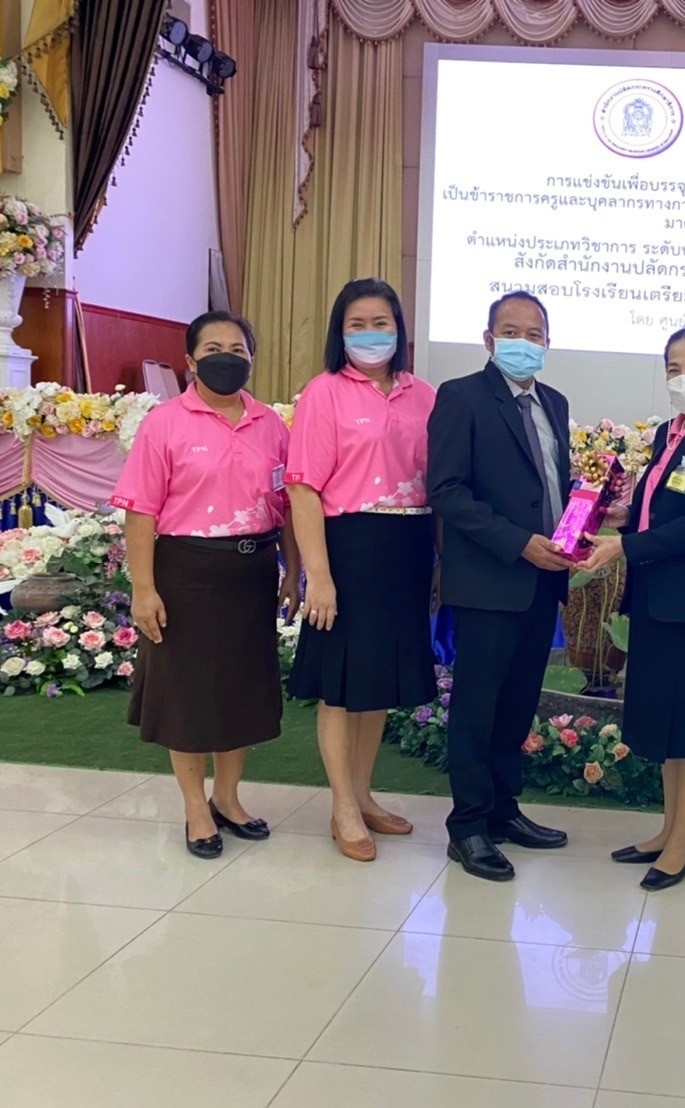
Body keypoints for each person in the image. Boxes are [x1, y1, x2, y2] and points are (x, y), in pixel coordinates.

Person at [112, 311, 301, 859]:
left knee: (240, 692)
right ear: (190, 361)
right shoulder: (165, 423)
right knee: (187, 697)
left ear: (252, 359)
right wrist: (143, 588)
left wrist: (293, 571)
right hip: (185, 573)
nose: (226, 358)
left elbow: (288, 507)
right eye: (213, 349)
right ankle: (196, 807)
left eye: (238, 350)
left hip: (252, 572)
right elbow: (141, 511)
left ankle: (228, 797)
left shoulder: (271, 425)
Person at [576, 327, 685, 891]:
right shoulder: (667, 433)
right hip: (656, 596)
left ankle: (682, 844)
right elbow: (660, 509)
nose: (683, 378)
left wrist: (624, 547)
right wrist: (617, 518)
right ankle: (670, 829)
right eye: (674, 367)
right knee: (668, 721)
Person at [285, 278, 438, 863]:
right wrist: (318, 576)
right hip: (348, 547)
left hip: (409, 545)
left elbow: (438, 483)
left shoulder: (425, 395)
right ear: (339, 332)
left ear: (399, 329)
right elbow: (303, 489)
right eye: (358, 324)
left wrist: (438, 562)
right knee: (341, 684)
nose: (371, 334)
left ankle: (364, 793)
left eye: (381, 323)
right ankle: (342, 806)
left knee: (378, 683)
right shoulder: (324, 392)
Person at [428, 290, 572, 882]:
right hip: (490, 579)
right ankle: (467, 825)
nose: (523, 343)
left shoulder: (555, 402)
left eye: (534, 334)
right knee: (477, 705)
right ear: (489, 340)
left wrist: (583, 517)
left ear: (547, 342)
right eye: (511, 332)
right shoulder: (461, 396)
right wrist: (517, 542)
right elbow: (447, 491)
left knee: (517, 703)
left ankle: (503, 811)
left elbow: (548, 485)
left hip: (544, 580)